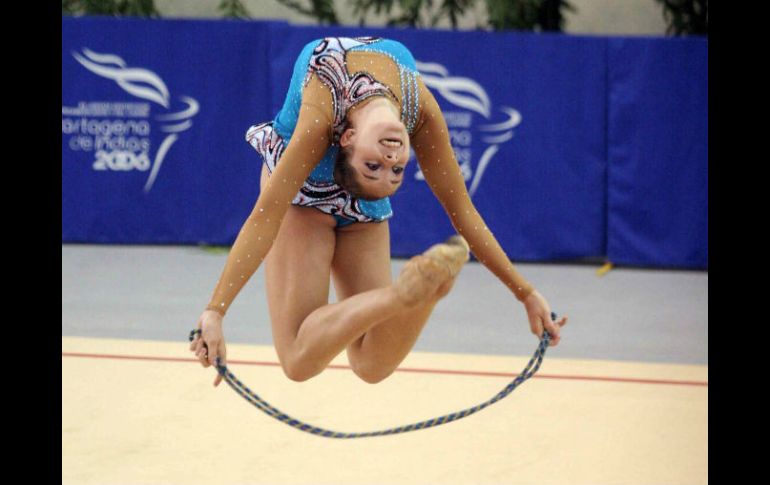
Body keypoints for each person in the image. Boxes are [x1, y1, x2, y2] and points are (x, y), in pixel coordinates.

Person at [189, 36, 568, 386]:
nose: (390, 160)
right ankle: (412, 295)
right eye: (389, 168)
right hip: (301, 198)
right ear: (346, 139)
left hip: (363, 204)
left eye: (388, 170)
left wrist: (526, 293)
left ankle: (411, 294)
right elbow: (267, 214)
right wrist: (216, 310)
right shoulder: (338, 108)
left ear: (350, 141)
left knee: (372, 366)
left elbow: (461, 209)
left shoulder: (406, 113)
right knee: (298, 362)